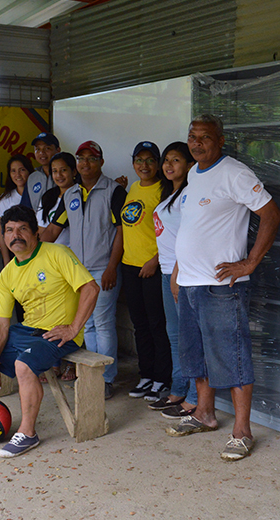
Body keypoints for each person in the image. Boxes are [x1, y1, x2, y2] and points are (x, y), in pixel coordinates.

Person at [166, 114, 280, 462]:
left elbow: (272, 214)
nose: (197, 143)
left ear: (220, 140)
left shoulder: (234, 172)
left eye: (204, 137)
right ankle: (204, 413)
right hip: (188, 283)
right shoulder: (193, 175)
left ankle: (242, 431)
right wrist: (177, 272)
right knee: (195, 353)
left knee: (232, 356)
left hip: (220, 287)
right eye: (192, 137)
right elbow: (193, 229)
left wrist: (250, 262)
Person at [0, 205, 99, 458]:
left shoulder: (57, 253)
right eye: (9, 230)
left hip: (58, 333)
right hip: (27, 329)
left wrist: (74, 328)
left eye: (22, 229)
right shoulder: (8, 273)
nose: (15, 235)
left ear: (35, 233)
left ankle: (28, 433)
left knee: (23, 364)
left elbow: (91, 288)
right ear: (3, 237)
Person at [42, 141, 126, 397]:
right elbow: (54, 230)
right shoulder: (70, 194)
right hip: (78, 273)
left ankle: (107, 379)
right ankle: (93, 375)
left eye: (91, 158)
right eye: (81, 158)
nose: (85, 163)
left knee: (102, 323)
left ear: (101, 162)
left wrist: (112, 267)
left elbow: (122, 231)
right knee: (86, 325)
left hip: (103, 269)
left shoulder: (114, 191)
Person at [149, 142, 198, 417]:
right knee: (175, 335)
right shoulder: (169, 194)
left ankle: (194, 396)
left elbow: (189, 238)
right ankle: (178, 389)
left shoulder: (189, 195)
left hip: (183, 273)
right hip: (168, 271)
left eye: (176, 160)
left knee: (189, 337)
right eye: (166, 159)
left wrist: (177, 274)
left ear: (190, 165)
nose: (169, 165)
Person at [121, 141, 171, 402]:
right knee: (139, 325)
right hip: (130, 266)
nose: (144, 165)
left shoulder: (164, 190)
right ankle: (146, 375)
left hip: (153, 267)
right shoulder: (132, 188)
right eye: (139, 160)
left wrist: (155, 260)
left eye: (150, 160)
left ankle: (163, 379)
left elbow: (173, 232)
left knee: (157, 324)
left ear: (159, 164)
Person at [0, 154, 35, 267]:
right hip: (15, 254)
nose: (17, 175)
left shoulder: (40, 196)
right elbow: (1, 233)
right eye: (13, 171)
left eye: (22, 170)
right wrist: (6, 261)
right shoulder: (6, 200)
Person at [29, 132, 59, 211]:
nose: (42, 153)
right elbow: (27, 207)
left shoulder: (64, 175)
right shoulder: (32, 177)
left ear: (58, 150)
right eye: (37, 149)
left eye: (47, 148)